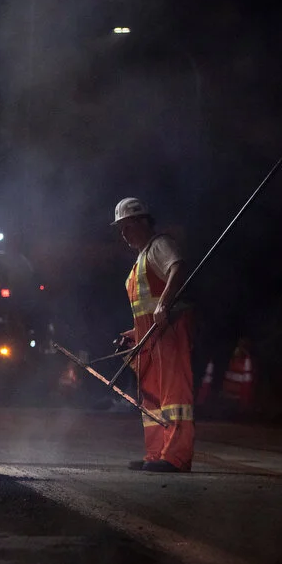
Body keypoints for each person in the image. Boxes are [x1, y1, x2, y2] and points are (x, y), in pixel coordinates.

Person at [112, 197, 194, 473]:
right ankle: (156, 454)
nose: (123, 234)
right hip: (150, 335)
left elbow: (177, 267)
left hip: (168, 331)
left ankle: (176, 457)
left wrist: (164, 303)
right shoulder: (140, 258)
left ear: (142, 221)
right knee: (152, 397)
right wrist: (132, 334)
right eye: (120, 229)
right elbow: (144, 310)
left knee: (174, 395)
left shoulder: (159, 245)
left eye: (127, 226)